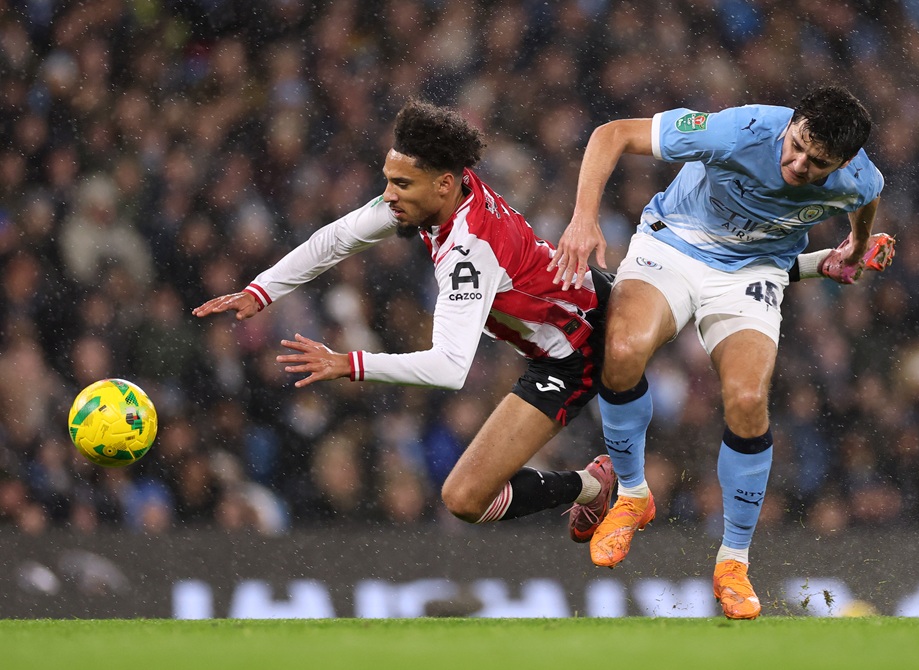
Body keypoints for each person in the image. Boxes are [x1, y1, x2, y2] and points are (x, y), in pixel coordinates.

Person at [194, 99, 620, 541]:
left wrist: (348, 364)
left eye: (400, 184)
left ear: (443, 184)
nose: (388, 195)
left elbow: (449, 369)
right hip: (557, 354)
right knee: (464, 499)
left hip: (593, 326)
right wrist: (261, 290)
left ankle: (633, 488)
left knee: (635, 380)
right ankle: (592, 486)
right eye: (388, 180)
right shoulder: (441, 192)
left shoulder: (467, 254)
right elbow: (339, 237)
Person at [550, 85, 889, 619]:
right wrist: (583, 217)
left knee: (749, 400)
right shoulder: (738, 131)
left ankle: (733, 561)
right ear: (791, 124)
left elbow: (867, 199)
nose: (797, 165)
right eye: (796, 145)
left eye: (817, 162)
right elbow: (612, 134)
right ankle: (632, 495)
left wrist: (856, 246)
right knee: (623, 348)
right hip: (674, 245)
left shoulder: (860, 178)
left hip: (753, 272)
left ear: (843, 162)